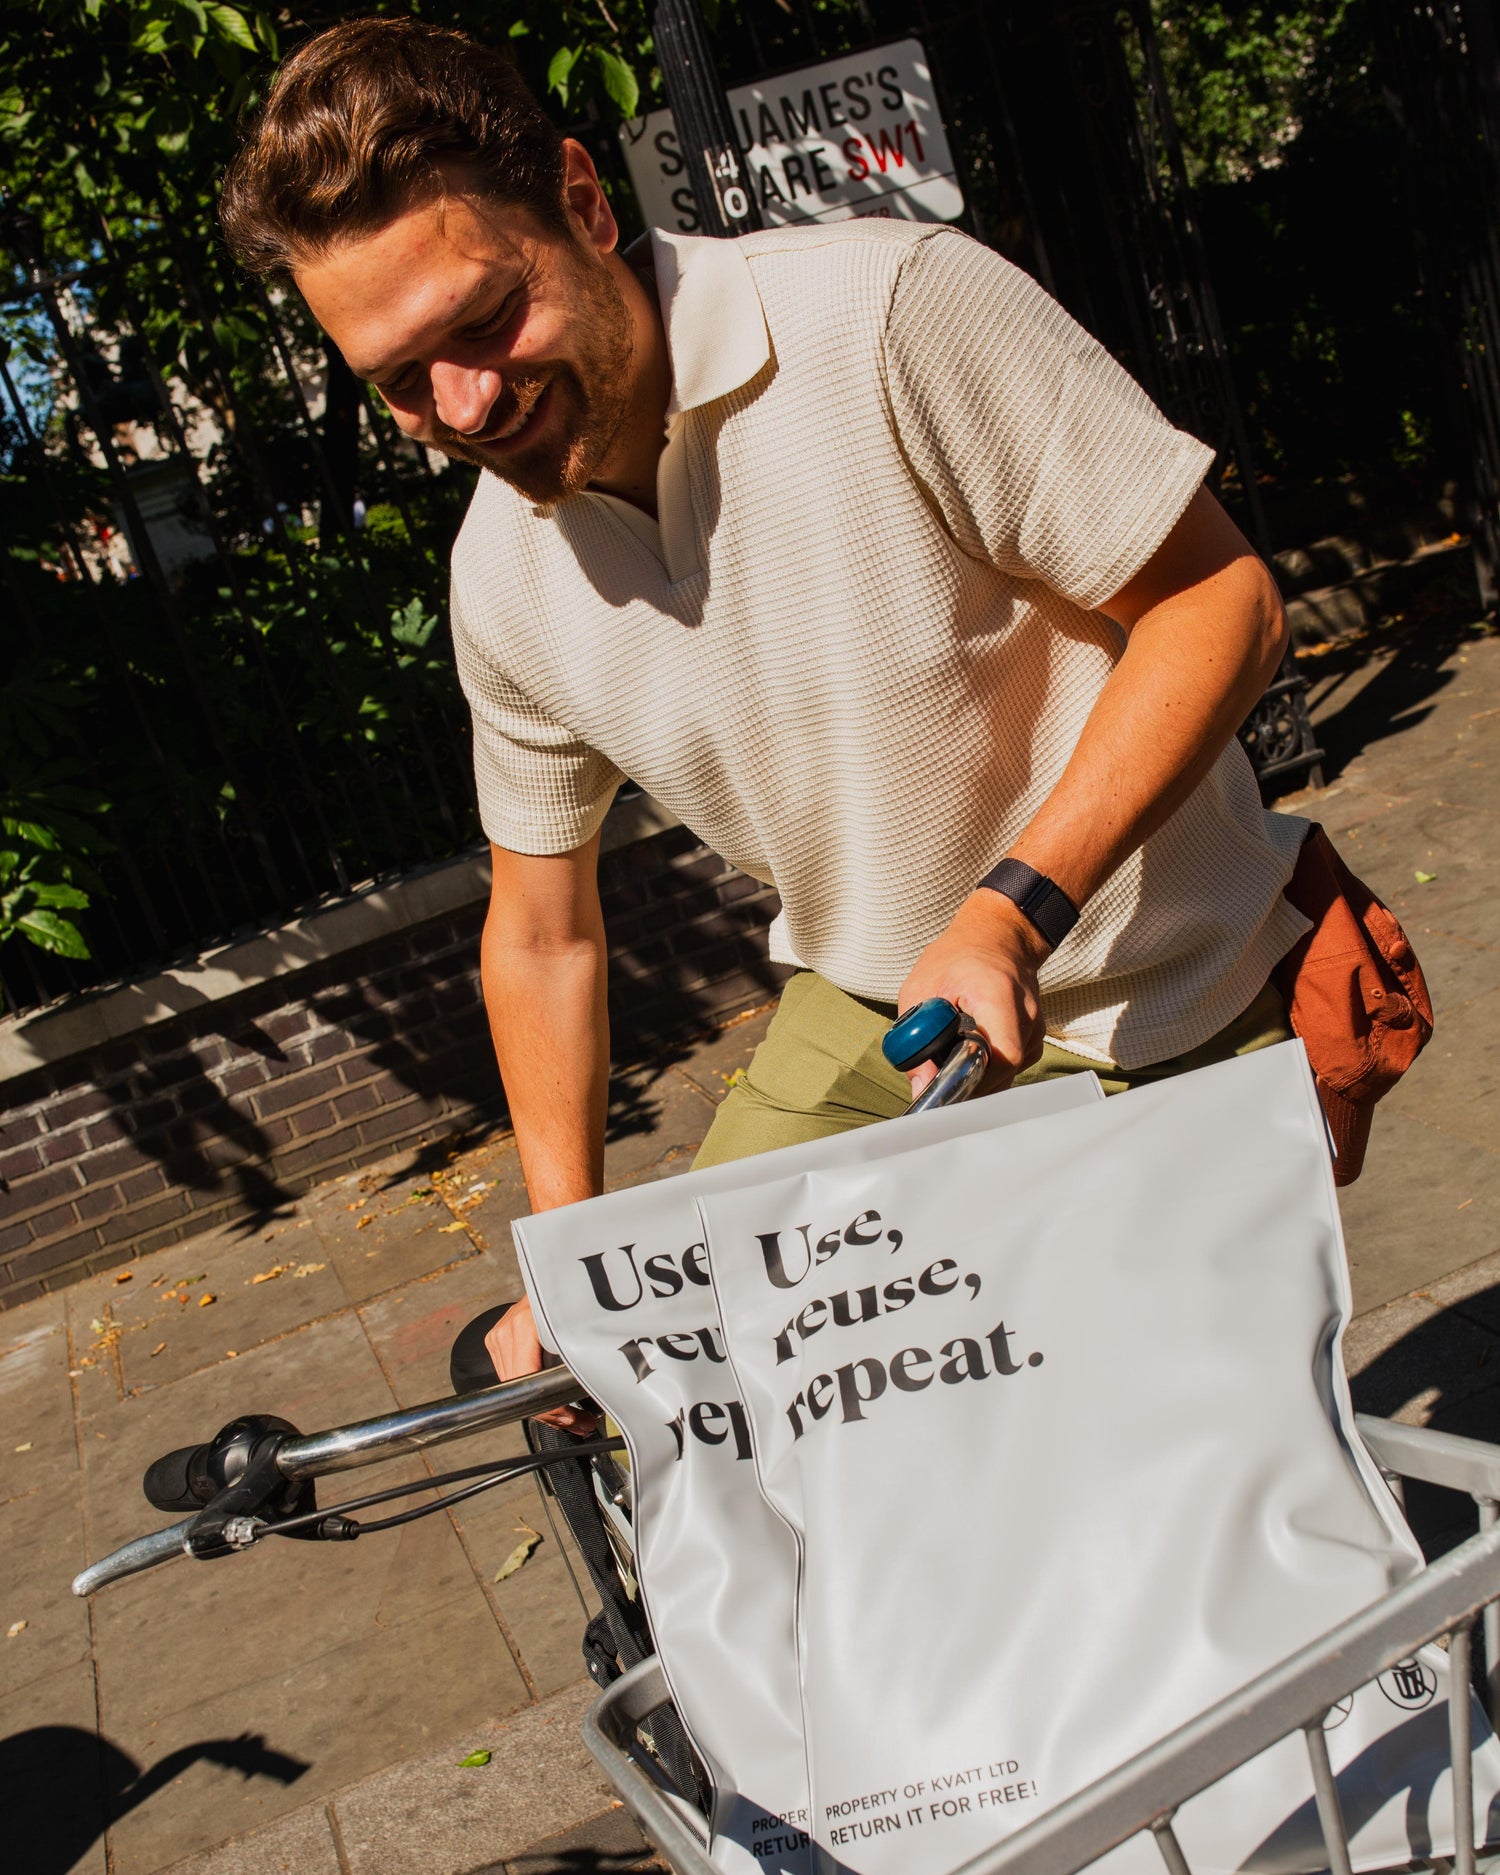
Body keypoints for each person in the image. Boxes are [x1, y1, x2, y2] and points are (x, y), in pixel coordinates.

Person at [220, 18, 1308, 1411]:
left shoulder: (888, 314)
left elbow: (1224, 603)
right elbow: (541, 931)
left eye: (485, 321)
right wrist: (571, 1260)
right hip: (871, 1012)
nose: (465, 403)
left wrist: (1009, 912)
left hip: (1149, 990)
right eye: (398, 382)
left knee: (1128, 1480)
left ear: (583, 200)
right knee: (678, 1404)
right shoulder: (503, 574)